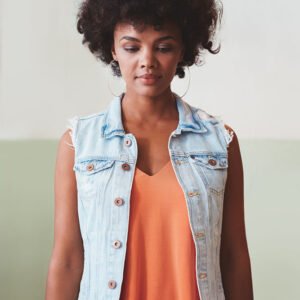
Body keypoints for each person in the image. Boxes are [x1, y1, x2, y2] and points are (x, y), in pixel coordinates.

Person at [45, 0, 253, 299]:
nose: (147, 61)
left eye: (164, 47)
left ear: (183, 50)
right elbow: (66, 261)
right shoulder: (78, 144)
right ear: (112, 48)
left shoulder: (220, 143)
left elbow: (234, 256)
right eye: (132, 47)